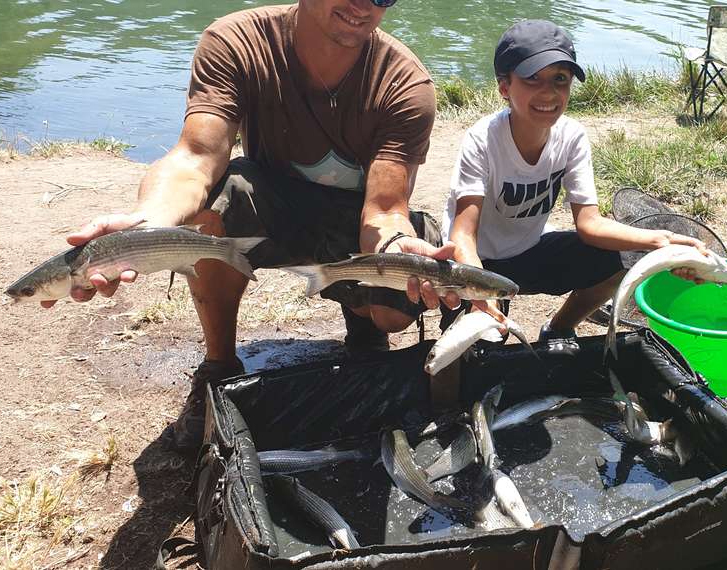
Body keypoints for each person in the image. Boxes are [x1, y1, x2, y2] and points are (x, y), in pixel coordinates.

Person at [46, 0, 464, 453]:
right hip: (269, 204)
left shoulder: (404, 82)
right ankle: (219, 365)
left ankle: (364, 325)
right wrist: (148, 224)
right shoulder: (237, 41)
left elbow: (382, 212)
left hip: (353, 221)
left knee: (392, 313)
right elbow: (195, 158)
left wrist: (398, 244)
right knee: (212, 206)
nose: (364, 4)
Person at [443, 20, 706, 352]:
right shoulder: (482, 140)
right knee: (484, 345)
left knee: (620, 259)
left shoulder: (572, 137)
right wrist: (477, 289)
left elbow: (589, 223)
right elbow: (463, 233)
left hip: (528, 250)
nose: (549, 93)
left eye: (560, 80)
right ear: (504, 87)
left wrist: (659, 241)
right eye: (532, 79)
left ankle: (558, 328)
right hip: (475, 260)